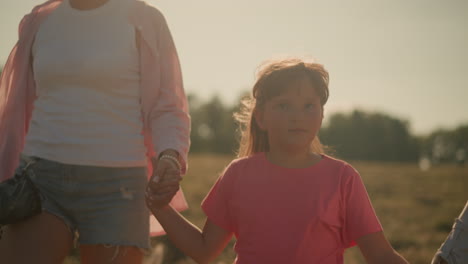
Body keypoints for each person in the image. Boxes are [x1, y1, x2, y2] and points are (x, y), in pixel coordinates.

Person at [145, 57, 409, 264]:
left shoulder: (343, 178)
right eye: (284, 105)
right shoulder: (239, 175)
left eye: (309, 106)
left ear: (321, 115)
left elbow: (381, 256)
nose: (298, 116)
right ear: (261, 117)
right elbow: (204, 250)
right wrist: (160, 207)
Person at [0, 0, 190, 263]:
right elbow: (15, 103)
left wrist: (170, 155)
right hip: (40, 179)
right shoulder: (39, 21)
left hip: (118, 186)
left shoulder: (145, 20)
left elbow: (167, 104)